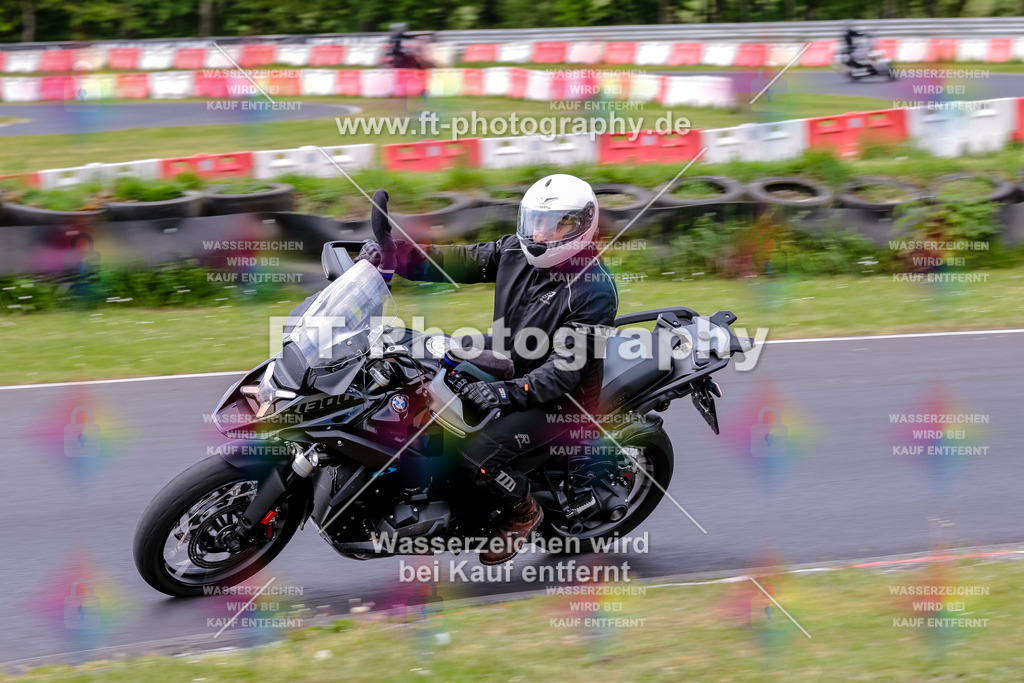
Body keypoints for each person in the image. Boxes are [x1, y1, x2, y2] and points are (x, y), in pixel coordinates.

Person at [358, 174, 618, 564]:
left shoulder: (594, 290)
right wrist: (397, 254)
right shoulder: (516, 250)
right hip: (511, 361)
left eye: (554, 224)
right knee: (419, 362)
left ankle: (523, 512)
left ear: (582, 225)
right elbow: (457, 261)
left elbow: (564, 372)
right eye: (535, 222)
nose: (540, 233)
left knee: (473, 456)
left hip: (559, 399)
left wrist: (504, 393)